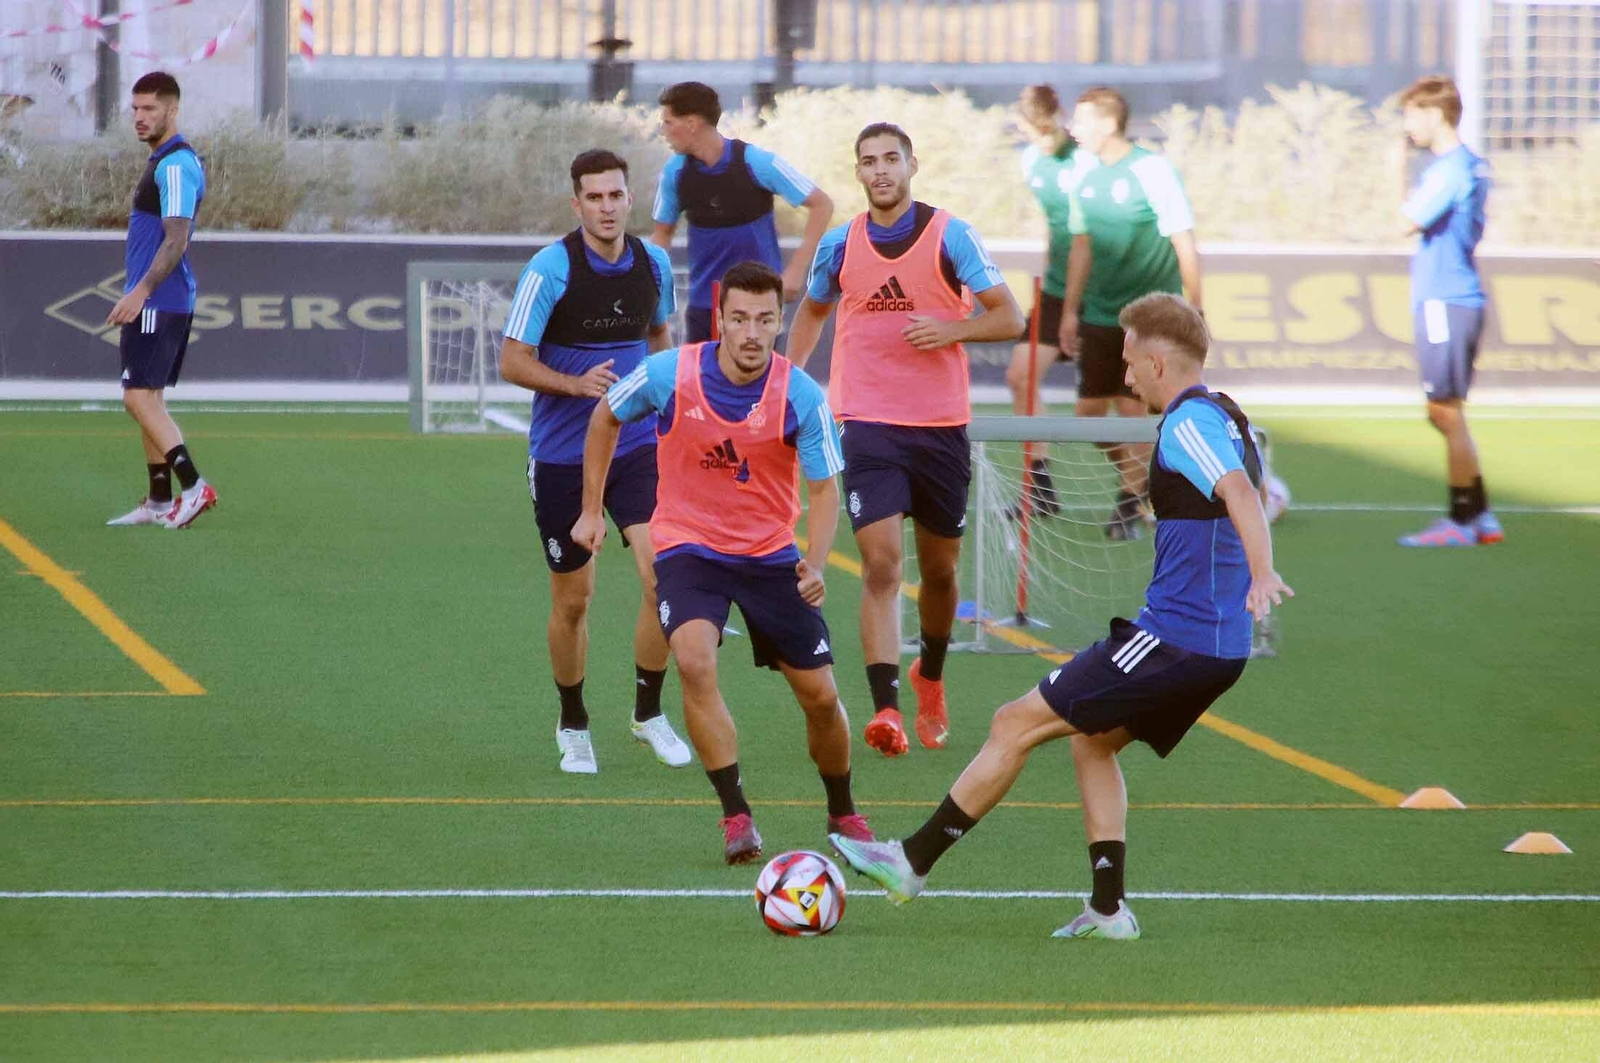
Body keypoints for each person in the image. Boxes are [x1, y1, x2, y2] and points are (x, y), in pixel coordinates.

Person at [830, 293, 1293, 939]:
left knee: (1013, 721)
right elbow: (1250, 490)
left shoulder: (1189, 422)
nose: (1125, 376)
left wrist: (1262, 570)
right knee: (1092, 741)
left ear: (1158, 363)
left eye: (1129, 362)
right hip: (1217, 646)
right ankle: (1108, 910)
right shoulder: (1228, 415)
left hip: (1177, 640)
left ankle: (910, 862)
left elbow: (1239, 492)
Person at [572, 261, 872, 864]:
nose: (752, 332)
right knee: (693, 659)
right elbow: (606, 415)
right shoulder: (669, 373)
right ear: (720, 320)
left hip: (770, 554)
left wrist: (815, 564)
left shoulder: (801, 396)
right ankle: (737, 815)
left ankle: (843, 810)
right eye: (739, 319)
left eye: (764, 320)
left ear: (779, 322)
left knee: (820, 697)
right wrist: (590, 510)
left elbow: (823, 491)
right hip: (688, 547)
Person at [787, 122, 1024, 758]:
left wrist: (952, 329)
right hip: (866, 422)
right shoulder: (839, 244)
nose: (881, 170)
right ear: (858, 173)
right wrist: (787, 383)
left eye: (891, 158)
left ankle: (931, 676)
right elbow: (813, 310)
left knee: (940, 571)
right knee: (883, 564)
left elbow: (1010, 316)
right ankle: (886, 710)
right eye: (869, 161)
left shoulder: (952, 235)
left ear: (912, 165)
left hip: (940, 427)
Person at [499, 149, 691, 775]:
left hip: (637, 446)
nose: (607, 207)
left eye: (616, 195)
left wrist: (674, 410)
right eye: (594, 197)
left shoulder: (654, 264)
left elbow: (660, 339)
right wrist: (574, 384)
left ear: (630, 198)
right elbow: (511, 361)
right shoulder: (550, 269)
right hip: (562, 456)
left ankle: (647, 712)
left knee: (664, 578)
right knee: (575, 600)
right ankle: (573, 722)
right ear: (576, 203)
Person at [1059, 87, 1202, 540]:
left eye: (1082, 120)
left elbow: (1183, 239)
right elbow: (1081, 245)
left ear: (1107, 124)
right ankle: (1145, 482)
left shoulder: (1152, 170)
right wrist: (1069, 311)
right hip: (1100, 315)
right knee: (1089, 416)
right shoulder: (1082, 173)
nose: (1073, 129)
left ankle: (1126, 505)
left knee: (1132, 410)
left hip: (1148, 318)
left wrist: (1195, 305)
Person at [104, 71, 216, 530]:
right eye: (135, 108)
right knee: (148, 396)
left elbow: (176, 239)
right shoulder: (161, 161)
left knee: (137, 398)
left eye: (149, 108)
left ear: (172, 110)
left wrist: (141, 291)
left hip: (160, 299)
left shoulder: (174, 164)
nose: (139, 116)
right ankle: (158, 500)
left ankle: (194, 486)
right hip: (158, 298)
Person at [1395, 75, 1501, 548]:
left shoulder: (1449, 169)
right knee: (1447, 410)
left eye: (1411, 115)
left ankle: (1461, 521)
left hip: (1444, 298)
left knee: (1444, 412)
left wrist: (1395, 170)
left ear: (1436, 114)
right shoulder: (1469, 165)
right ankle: (1482, 515)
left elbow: (1405, 221)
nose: (1407, 127)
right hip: (1457, 295)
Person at [649, 82, 833, 342]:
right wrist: (653, 291)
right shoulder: (674, 173)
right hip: (705, 307)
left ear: (691, 123)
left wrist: (796, 271)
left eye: (668, 122)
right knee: (702, 371)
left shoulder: (756, 162)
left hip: (759, 307)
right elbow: (661, 235)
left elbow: (822, 204)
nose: (663, 130)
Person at [1005, 83, 1097, 514]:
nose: (1043, 140)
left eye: (1048, 129)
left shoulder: (1087, 159)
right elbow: (1056, 226)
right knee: (1019, 377)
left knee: (1113, 405)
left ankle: (1140, 495)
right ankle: (1041, 489)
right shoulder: (1030, 162)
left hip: (1103, 292)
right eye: (1034, 132)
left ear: (1060, 117)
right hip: (1058, 288)